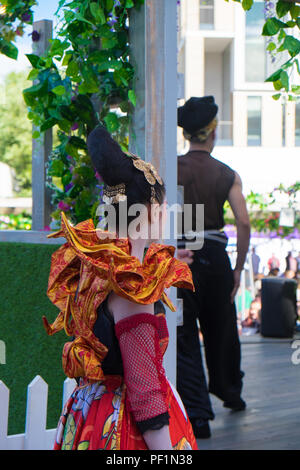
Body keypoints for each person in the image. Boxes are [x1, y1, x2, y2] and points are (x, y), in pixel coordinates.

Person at [43, 126, 198, 451]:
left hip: (87, 415)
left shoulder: (92, 267)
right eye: (164, 205)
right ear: (150, 211)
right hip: (121, 427)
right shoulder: (132, 288)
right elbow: (144, 393)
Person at [176, 96, 251, 439]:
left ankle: (197, 415)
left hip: (183, 254)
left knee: (186, 333)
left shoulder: (171, 167)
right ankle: (230, 391)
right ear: (212, 132)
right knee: (222, 327)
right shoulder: (227, 173)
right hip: (217, 256)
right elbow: (244, 223)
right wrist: (238, 269)